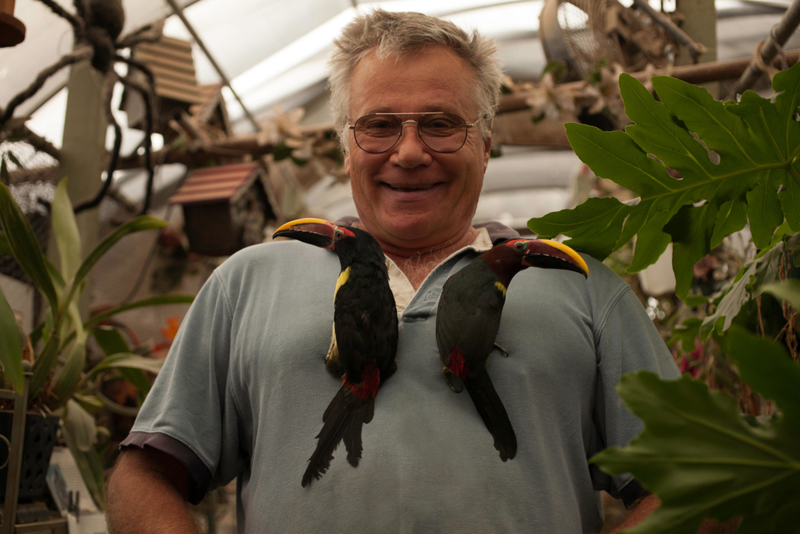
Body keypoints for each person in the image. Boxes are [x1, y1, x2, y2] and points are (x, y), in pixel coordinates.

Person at [106, 10, 680, 533]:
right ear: (344, 148)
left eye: (440, 124)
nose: (408, 152)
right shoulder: (248, 281)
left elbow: (694, 487)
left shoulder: (581, 288)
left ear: (484, 144)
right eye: (378, 126)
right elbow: (145, 474)